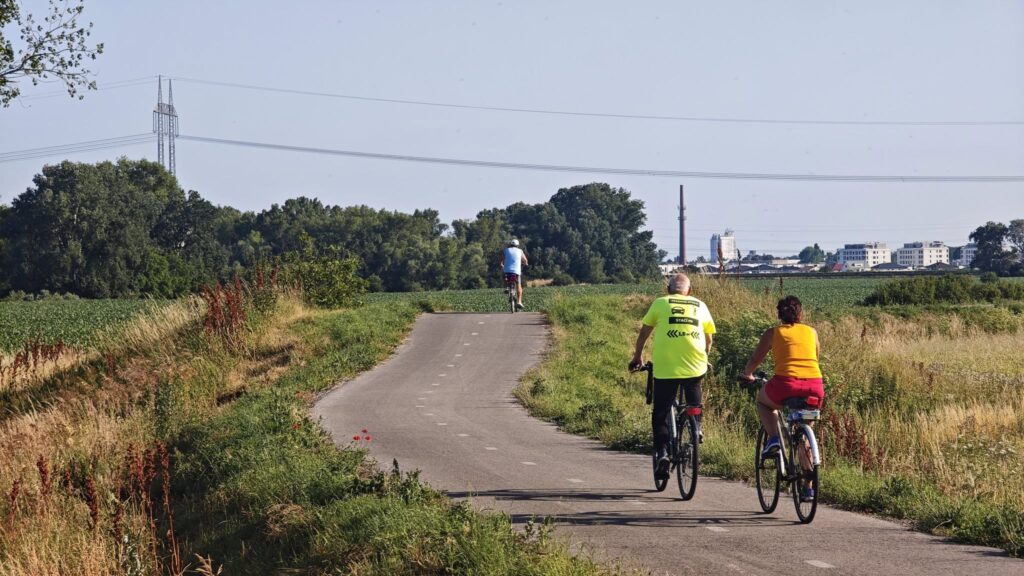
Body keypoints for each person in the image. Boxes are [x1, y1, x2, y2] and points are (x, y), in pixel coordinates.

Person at [630, 273, 715, 480]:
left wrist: (637, 357)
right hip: (695, 365)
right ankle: (697, 427)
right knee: (694, 403)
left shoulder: (660, 303)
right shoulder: (700, 305)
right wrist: (704, 356)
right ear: (690, 291)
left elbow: (644, 333)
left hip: (666, 367)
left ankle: (664, 453)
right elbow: (709, 339)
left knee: (660, 413)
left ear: (668, 290)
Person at [740, 295, 823, 500]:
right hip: (814, 386)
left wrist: (747, 374)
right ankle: (808, 487)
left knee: (764, 402)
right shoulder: (811, 332)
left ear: (780, 315)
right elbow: (816, 357)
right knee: (804, 434)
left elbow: (756, 359)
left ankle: (774, 438)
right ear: (801, 313)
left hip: (786, 383)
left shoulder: (772, 333)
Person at [501, 239, 528, 309]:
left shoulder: (506, 250)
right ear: (517, 245)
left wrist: (502, 264)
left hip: (507, 270)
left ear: (510, 245)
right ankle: (519, 301)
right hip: (516, 271)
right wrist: (525, 263)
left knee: (504, 275)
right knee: (518, 285)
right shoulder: (520, 251)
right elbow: (525, 260)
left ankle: (507, 287)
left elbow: (502, 260)